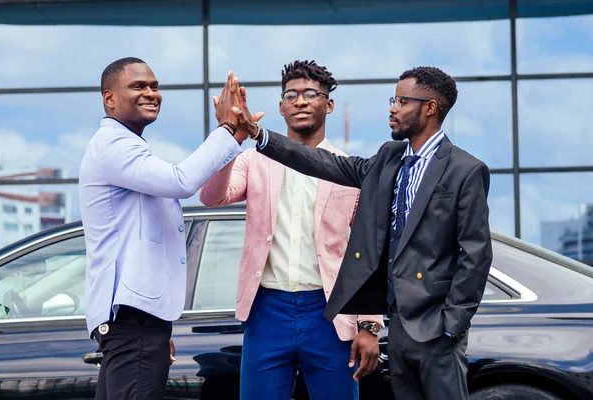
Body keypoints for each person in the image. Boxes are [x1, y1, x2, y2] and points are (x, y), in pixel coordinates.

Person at [232, 66, 493, 400]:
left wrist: (451, 326)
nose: (392, 108)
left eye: (401, 101)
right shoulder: (389, 158)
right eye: (393, 100)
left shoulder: (465, 169)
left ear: (429, 108)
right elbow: (325, 165)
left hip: (436, 329)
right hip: (398, 328)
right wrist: (259, 135)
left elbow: (475, 255)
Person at [199, 60, 383, 400]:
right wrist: (229, 138)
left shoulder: (350, 170)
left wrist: (369, 324)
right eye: (291, 95)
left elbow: (367, 252)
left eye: (310, 94)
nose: (300, 101)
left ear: (327, 105)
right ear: (281, 107)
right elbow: (212, 197)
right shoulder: (254, 160)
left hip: (329, 312)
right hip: (267, 310)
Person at [79, 57, 249, 400]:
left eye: (155, 87)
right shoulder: (113, 144)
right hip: (132, 323)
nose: (151, 93)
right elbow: (181, 180)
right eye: (138, 86)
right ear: (109, 98)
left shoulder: (127, 145)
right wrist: (227, 132)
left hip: (138, 323)